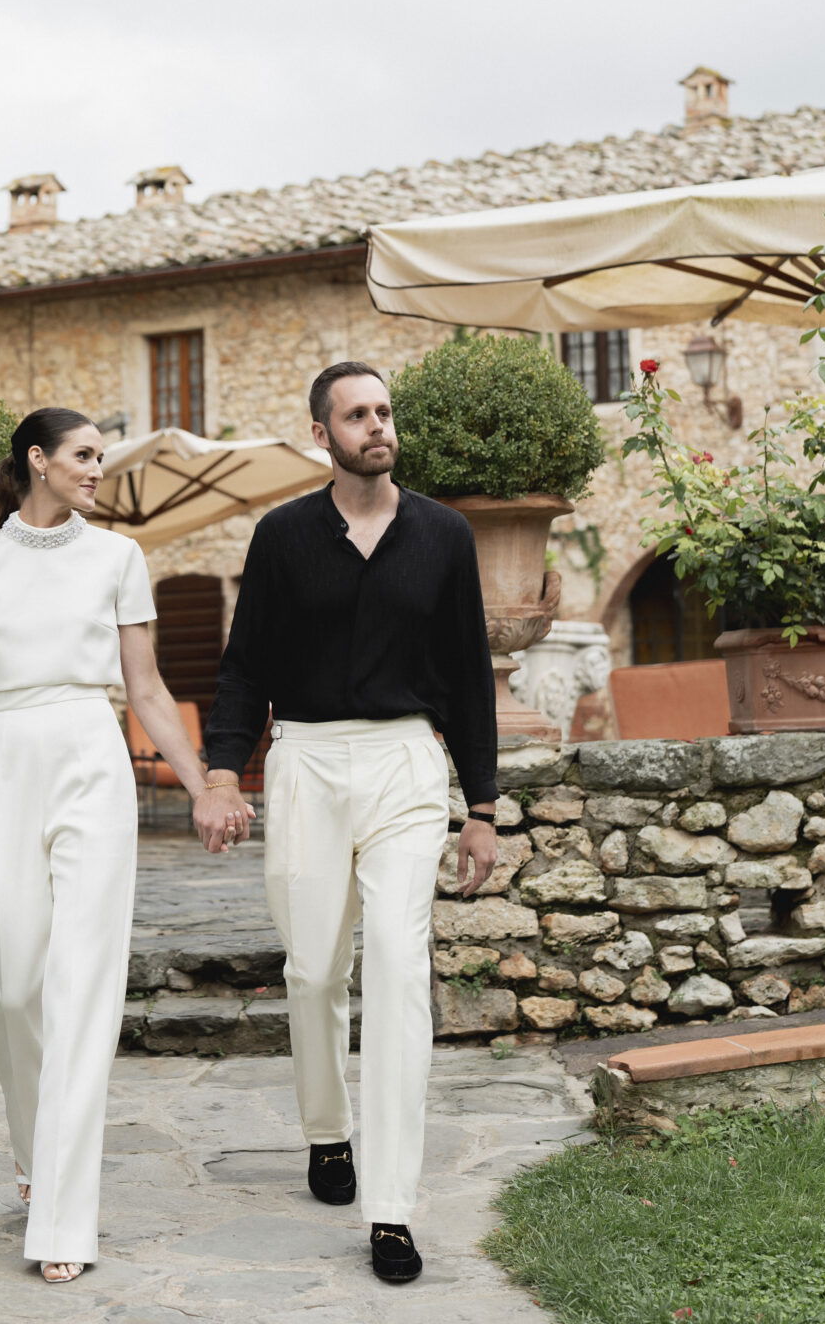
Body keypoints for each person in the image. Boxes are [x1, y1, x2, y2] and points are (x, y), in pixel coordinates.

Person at [0, 407, 235, 1284]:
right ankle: (34, 1154)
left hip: (94, 757)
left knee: (83, 986)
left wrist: (203, 780)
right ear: (38, 461)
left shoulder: (119, 558)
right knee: (12, 988)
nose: (99, 468)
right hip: (10, 759)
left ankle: (63, 1217)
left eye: (101, 455)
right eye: (85, 456)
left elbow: (149, 689)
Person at [196, 361, 499, 1285]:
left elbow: (472, 674)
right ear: (322, 433)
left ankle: (392, 1210)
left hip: (407, 763)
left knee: (401, 971)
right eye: (357, 414)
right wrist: (219, 772)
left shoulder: (443, 535)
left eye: (384, 411)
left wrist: (481, 809)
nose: (378, 425)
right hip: (307, 763)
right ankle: (327, 1132)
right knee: (315, 967)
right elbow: (246, 665)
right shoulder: (284, 536)